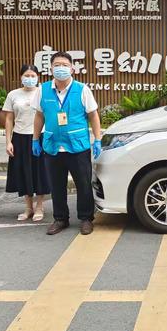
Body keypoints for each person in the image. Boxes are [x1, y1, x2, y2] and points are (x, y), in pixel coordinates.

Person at [32, 52, 102, 236]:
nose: (60, 68)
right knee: (57, 185)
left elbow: (93, 115)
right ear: (51, 68)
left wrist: (98, 139)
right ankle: (60, 218)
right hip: (53, 146)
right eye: (56, 64)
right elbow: (39, 115)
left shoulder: (82, 89)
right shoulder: (43, 90)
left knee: (83, 184)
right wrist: (35, 139)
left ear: (72, 68)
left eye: (64, 64)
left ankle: (86, 218)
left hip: (77, 146)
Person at [4, 65, 50, 221]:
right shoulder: (13, 95)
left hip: (40, 136)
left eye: (32, 75)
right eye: (26, 75)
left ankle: (39, 207)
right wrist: (8, 141)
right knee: (24, 172)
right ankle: (28, 207)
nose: (29, 78)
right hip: (20, 138)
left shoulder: (43, 92)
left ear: (38, 77)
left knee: (39, 171)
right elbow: (9, 119)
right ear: (20, 77)